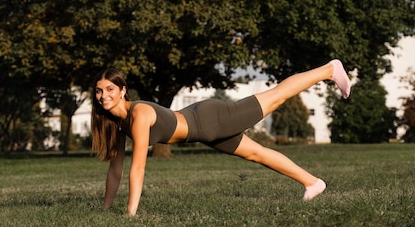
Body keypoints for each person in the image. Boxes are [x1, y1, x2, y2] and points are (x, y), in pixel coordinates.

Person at [91, 59, 352, 216]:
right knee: (256, 154)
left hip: (210, 119)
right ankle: (312, 183)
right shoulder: (118, 124)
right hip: (204, 131)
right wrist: (105, 210)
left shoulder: (139, 115)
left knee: (277, 95)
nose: (104, 95)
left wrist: (130, 216)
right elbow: (116, 170)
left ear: (123, 90)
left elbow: (138, 168)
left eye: (110, 89)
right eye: (99, 91)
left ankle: (330, 69)